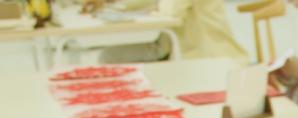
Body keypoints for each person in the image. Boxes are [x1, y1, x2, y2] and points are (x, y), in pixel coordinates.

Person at [81, 0, 248, 63]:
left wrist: (153, 9)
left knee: (109, 57)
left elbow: (170, 12)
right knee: (108, 55)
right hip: (175, 45)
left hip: (206, 55)